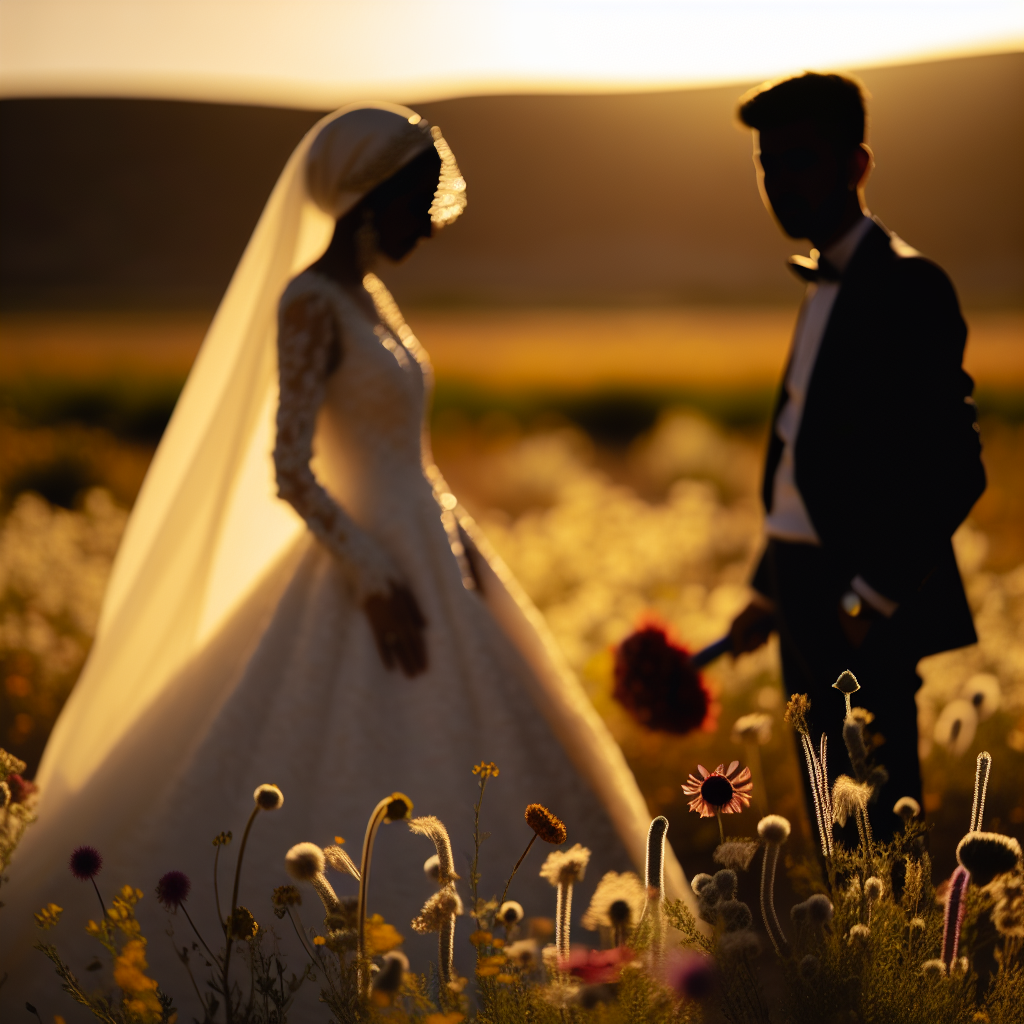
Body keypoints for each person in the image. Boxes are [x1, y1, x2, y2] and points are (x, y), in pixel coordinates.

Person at [0, 104, 693, 1018]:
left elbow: (410, 454)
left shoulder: (373, 297)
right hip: (366, 571)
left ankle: (573, 967)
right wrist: (370, 574)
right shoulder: (311, 303)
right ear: (368, 199)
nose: (427, 223)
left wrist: (454, 547)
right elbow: (290, 469)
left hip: (435, 555)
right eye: (413, 201)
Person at [727, 74, 986, 842]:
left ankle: (905, 962)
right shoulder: (820, 286)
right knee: (827, 826)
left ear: (857, 165)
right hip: (800, 585)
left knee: (881, 818)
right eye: (767, 164)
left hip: (859, 599)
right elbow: (803, 462)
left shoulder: (908, 285)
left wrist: (868, 599)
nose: (780, 182)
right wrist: (768, 591)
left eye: (800, 160)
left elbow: (956, 465)